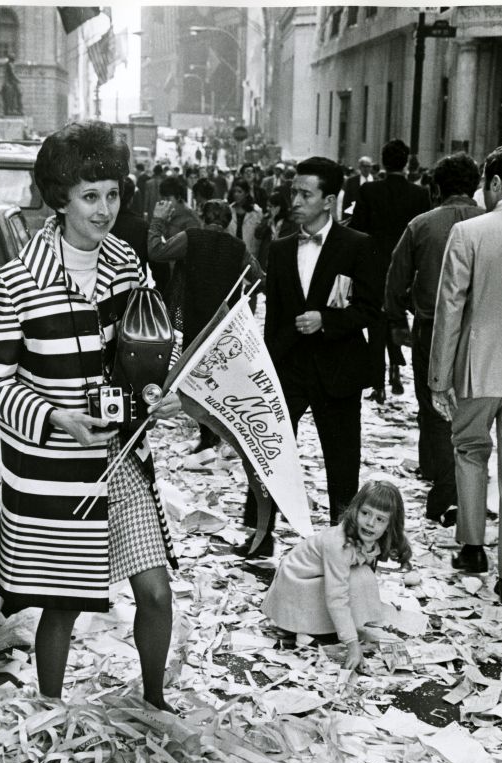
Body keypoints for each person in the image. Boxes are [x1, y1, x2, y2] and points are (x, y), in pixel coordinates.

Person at [0, 120, 182, 710]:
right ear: (59, 198)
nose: (105, 208)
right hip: (55, 467)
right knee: (63, 603)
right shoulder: (15, 282)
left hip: (120, 455)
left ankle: (154, 701)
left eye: (113, 193)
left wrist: (156, 390)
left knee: (157, 593)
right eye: (90, 195)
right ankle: (52, 711)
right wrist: (58, 418)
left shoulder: (129, 266)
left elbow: (152, 344)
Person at [236, 156, 382, 558]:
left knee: (342, 462)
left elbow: (371, 309)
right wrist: (264, 368)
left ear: (329, 199)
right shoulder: (281, 249)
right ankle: (261, 535)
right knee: (267, 453)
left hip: (338, 370)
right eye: (292, 192)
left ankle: (346, 546)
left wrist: (327, 321)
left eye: (305, 193)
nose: (295, 200)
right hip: (288, 369)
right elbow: (276, 317)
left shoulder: (358, 246)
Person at [429, 142, 502, 604]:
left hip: (476, 368)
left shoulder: (469, 232)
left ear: (497, 183)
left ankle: (472, 549)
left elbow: (450, 308)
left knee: (469, 452)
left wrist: (437, 377)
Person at [385, 152, 484, 528]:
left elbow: (395, 283)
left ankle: (444, 488)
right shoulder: (492, 223)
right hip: (484, 331)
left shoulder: (421, 225)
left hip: (430, 327)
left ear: (437, 188)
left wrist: (396, 321)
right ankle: (454, 482)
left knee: (435, 408)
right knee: (474, 410)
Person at [148, 197, 263, 452]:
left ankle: (207, 434)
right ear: (228, 221)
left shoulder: (192, 237)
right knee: (218, 376)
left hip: (194, 316)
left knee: (195, 375)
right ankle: (216, 431)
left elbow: (157, 251)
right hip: (223, 321)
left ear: (203, 215)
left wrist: (157, 223)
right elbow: (258, 277)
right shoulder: (238, 246)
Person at [262, 481, 412, 672]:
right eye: (365, 513)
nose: (370, 523)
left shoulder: (368, 538)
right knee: (355, 580)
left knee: (363, 576)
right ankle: (309, 632)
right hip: (295, 588)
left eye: (380, 519)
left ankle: (328, 627)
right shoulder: (339, 544)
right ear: (355, 510)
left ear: (390, 525)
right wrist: (352, 644)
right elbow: (336, 596)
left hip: (307, 583)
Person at [350, 138, 431, 399]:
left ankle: (378, 384)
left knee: (375, 326)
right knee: (398, 318)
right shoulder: (419, 194)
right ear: (406, 162)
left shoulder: (369, 192)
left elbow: (358, 231)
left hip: (374, 268)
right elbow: (423, 235)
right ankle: (395, 367)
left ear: (382, 162)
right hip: (406, 270)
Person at [110, 175, 149, 276]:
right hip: (136, 286)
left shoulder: (101, 224)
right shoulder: (142, 226)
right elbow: (159, 268)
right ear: (131, 199)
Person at [254, 190, 296, 270]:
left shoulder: (290, 223)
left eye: (270, 206)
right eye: (267, 206)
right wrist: (268, 222)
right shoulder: (266, 219)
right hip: (266, 259)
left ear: (278, 207)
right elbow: (257, 235)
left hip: (282, 260)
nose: (267, 208)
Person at [226, 177, 262, 257]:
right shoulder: (229, 210)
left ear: (246, 193)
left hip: (250, 253)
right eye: (234, 191)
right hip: (232, 253)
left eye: (239, 192)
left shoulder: (256, 211)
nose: (236, 194)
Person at [341, 155, 374, 221]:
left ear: (371, 168)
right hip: (355, 217)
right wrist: (344, 218)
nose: (366, 169)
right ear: (360, 167)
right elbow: (346, 201)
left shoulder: (376, 181)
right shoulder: (352, 181)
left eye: (368, 166)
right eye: (364, 166)